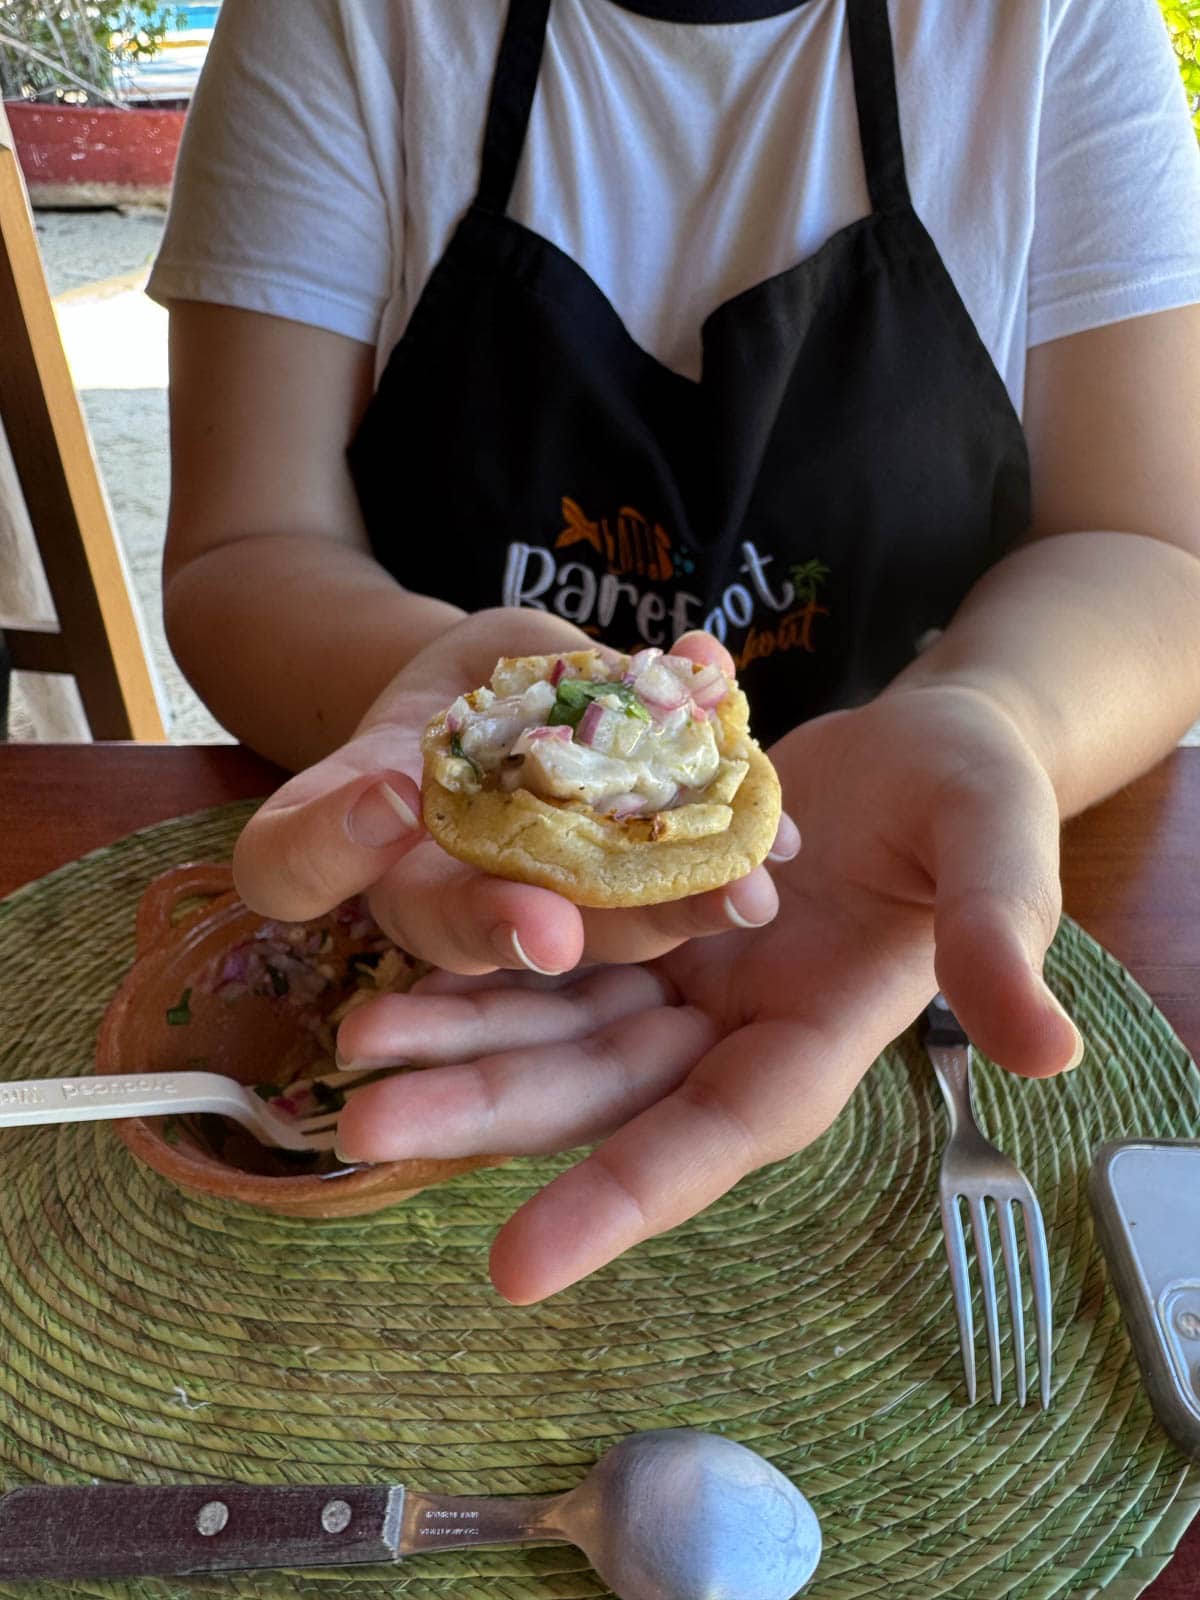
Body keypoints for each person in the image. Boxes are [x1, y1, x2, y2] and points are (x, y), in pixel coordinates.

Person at [149, 0, 1200, 1305]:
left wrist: (992, 715)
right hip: (407, 955)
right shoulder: (345, 22)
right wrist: (424, 695)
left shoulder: (1056, 27)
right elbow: (244, 547)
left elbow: (1151, 551)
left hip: (874, 937)